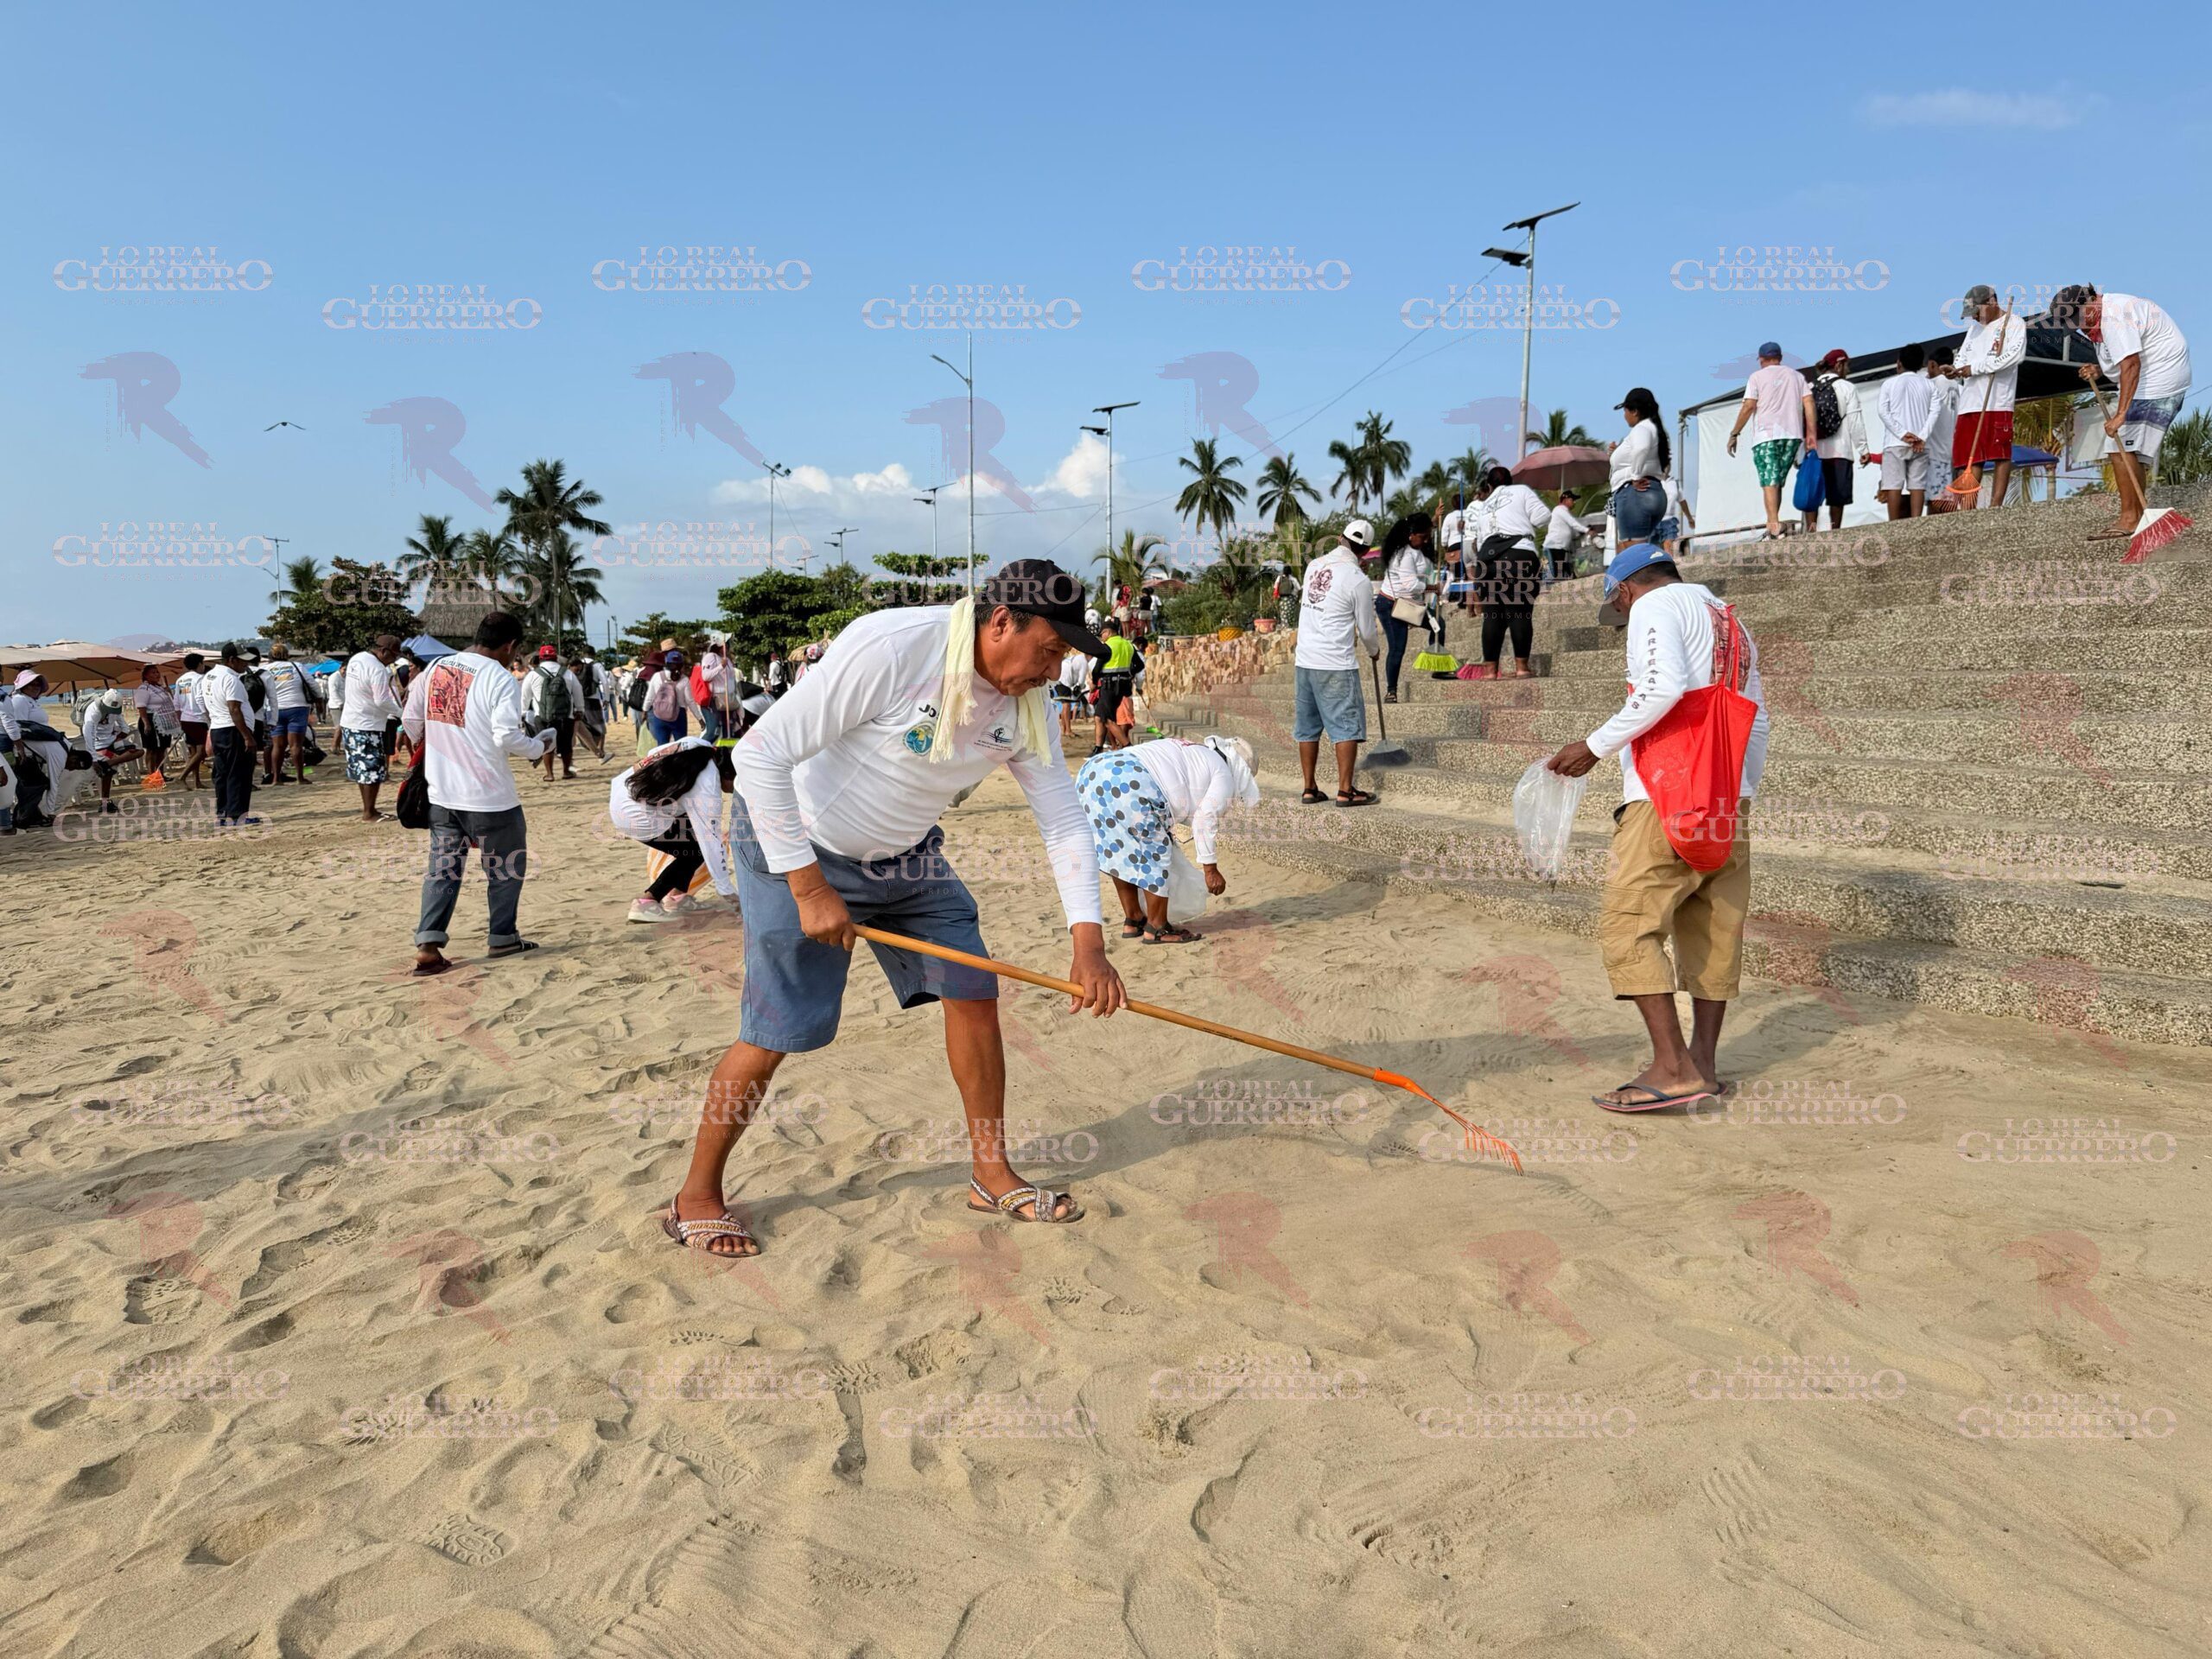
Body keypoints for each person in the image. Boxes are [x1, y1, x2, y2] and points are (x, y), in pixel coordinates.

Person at [666, 560, 1126, 1257]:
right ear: (1001, 621)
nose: (1055, 669)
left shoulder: (1026, 706)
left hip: (909, 858)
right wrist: (810, 888)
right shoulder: (895, 647)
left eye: (1065, 656)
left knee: (973, 987)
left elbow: (1061, 815)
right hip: (798, 845)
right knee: (778, 1029)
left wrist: (1088, 941)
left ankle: (990, 1172)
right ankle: (695, 1194)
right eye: (1051, 650)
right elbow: (759, 757)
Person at [1543, 543, 1769, 1113]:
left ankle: (1670, 1068)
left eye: (1617, 609)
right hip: (1727, 798)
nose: (1622, 618)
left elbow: (1664, 686)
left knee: (1628, 924)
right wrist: (1740, 790)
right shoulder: (1729, 618)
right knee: (1711, 925)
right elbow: (1756, 713)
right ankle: (1705, 1066)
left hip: (1666, 795)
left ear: (1624, 589)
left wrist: (1593, 747)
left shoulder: (1652, 606)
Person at [403, 612, 549, 976]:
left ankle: (428, 945)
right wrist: (537, 747)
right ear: (510, 646)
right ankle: (502, 938)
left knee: (443, 870)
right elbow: (505, 736)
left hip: (442, 792)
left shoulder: (437, 668)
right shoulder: (500, 678)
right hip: (489, 796)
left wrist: (439, 749)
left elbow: (411, 720)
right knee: (506, 868)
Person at [1077, 734, 1257, 945]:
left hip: (1093, 773)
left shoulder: (1195, 750)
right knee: (1157, 853)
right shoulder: (1225, 774)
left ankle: (1134, 918)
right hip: (1132, 781)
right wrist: (1211, 870)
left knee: (1122, 851)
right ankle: (1157, 927)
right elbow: (1204, 819)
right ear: (1242, 772)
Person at [2053, 283, 2193, 537]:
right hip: (2150, 377)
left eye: (2077, 317)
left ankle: (2131, 519)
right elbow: (2122, 360)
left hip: (2159, 379)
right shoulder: (2100, 319)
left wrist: (2120, 414)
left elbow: (2130, 364)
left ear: (2092, 300)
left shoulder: (2114, 316)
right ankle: (2137, 515)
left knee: (2121, 446)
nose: (2077, 326)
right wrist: (2098, 370)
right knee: (2123, 448)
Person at [1293, 518, 1381, 806]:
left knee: (1307, 727)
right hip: (1335, 662)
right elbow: (1367, 630)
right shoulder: (1359, 581)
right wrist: (1374, 651)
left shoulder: (1313, 566)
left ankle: (1309, 787)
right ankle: (1345, 790)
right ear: (1365, 551)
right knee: (1345, 726)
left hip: (1305, 659)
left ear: (1340, 538)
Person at [608, 734, 738, 923]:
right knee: (695, 851)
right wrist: (727, 890)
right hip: (634, 813)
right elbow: (710, 840)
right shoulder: (708, 787)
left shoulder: (700, 746)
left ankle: (677, 898)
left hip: (625, 790)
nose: (736, 789)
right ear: (727, 774)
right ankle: (647, 902)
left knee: (692, 841)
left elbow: (654, 755)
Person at [1942, 284, 2024, 509]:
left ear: (1992, 302)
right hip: (1970, 402)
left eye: (1978, 312)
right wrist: (1956, 370)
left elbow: (2013, 357)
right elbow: (1963, 357)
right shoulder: (1974, 329)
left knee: (2000, 452)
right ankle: (1968, 509)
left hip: (1998, 400)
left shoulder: (2014, 323)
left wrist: (1974, 368)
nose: (1975, 317)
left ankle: (1995, 506)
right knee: (1970, 457)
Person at [1724, 342, 1815, 538]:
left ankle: (1773, 525)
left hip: (1766, 435)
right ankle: (1775, 522)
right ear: (1780, 357)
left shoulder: (1756, 377)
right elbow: (1809, 402)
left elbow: (1749, 405)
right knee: (1777, 481)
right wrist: (1811, 434)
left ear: (1762, 359)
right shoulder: (1797, 376)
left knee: (1769, 480)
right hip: (1792, 435)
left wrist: (1734, 433)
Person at [1475, 467, 1549, 679]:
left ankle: (1490, 671)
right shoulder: (1522, 491)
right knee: (1519, 610)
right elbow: (1543, 516)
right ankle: (1522, 668)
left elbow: (1479, 543)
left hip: (1487, 560)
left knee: (1492, 614)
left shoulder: (1483, 506)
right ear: (1510, 480)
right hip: (1518, 553)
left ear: (1489, 486)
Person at [1804, 348, 1870, 533]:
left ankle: (1811, 533)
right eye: (1846, 365)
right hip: (1840, 451)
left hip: (1813, 451)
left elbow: (1801, 420)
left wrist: (1800, 452)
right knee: (1837, 497)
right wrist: (1863, 449)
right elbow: (1855, 420)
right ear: (1839, 364)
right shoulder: (1847, 387)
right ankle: (1835, 532)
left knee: (1812, 496)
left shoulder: (1809, 388)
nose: (1847, 369)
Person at [340, 634, 404, 822]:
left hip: (351, 722)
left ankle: (369, 809)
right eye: (393, 656)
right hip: (368, 724)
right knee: (374, 770)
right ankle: (370, 812)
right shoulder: (377, 669)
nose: (393, 660)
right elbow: (382, 700)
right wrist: (402, 713)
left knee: (362, 770)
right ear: (383, 651)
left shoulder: (357, 658)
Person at [1373, 513, 1434, 702]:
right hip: (1392, 606)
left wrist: (1435, 518)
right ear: (1411, 535)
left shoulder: (1412, 547)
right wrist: (1432, 587)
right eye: (1423, 537)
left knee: (1438, 625)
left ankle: (1437, 661)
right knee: (1397, 648)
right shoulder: (1405, 555)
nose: (1426, 541)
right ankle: (1391, 691)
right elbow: (1410, 585)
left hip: (1406, 602)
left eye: (1428, 536)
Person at [201, 643, 262, 828]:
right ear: (231, 660)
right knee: (239, 773)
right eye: (243, 661)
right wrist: (247, 736)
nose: (246, 665)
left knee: (223, 773)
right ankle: (237, 814)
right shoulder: (230, 679)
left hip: (219, 729)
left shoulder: (209, 676)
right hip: (233, 730)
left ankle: (223, 813)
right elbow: (234, 709)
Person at [1876, 343, 1937, 519]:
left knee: (1893, 485)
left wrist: (1902, 433)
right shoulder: (1929, 385)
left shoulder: (1889, 384)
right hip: (1920, 443)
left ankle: (1895, 525)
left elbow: (1883, 412)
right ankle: (1916, 523)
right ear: (1921, 364)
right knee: (1917, 485)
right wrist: (1922, 436)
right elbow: (1935, 412)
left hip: (1895, 442)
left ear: (1899, 363)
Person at [5, 672, 72, 827]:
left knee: (35, 784)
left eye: (38, 684)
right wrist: (22, 751)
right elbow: (19, 727)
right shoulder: (20, 700)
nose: (35, 687)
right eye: (31, 684)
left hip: (36, 752)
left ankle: (34, 816)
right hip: (26, 752)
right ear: (23, 686)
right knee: (36, 785)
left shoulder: (31, 701)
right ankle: (35, 816)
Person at [1610, 388, 1670, 547]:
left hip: (1635, 494)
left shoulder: (1642, 428)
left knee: (1635, 553)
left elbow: (1641, 448)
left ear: (1635, 411)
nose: (1624, 416)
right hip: (1654, 492)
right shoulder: (1655, 428)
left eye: (1625, 411)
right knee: (1645, 550)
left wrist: (1635, 477)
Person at [521, 645, 582, 783]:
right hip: (566, 716)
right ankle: (566, 771)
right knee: (566, 745)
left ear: (541, 658)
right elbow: (578, 692)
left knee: (546, 744)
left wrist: (523, 712)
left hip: (542, 716)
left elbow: (525, 697)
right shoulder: (567, 673)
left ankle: (550, 774)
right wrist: (580, 709)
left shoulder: (533, 674)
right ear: (556, 658)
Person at [257, 643, 315, 785]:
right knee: (296, 745)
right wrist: (317, 699)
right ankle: (300, 778)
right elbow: (312, 684)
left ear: (270, 656)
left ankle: (276, 778)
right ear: (287, 654)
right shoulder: (297, 667)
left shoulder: (264, 670)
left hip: (274, 709)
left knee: (278, 745)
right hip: (297, 707)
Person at [79, 688, 143, 815]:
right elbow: (88, 737)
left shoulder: (115, 709)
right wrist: (93, 758)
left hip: (112, 741)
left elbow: (124, 727)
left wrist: (118, 738)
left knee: (139, 751)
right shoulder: (93, 712)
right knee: (108, 772)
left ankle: (109, 764)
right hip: (98, 746)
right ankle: (105, 802)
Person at [1092, 619, 1142, 753]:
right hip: (1123, 686)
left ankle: (1127, 746)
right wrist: (1129, 673)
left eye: (1102, 634)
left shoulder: (1107, 646)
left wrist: (1093, 683)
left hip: (1109, 686)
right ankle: (1098, 748)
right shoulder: (1128, 645)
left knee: (1108, 719)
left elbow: (1096, 669)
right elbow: (1140, 665)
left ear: (1108, 632)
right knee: (1099, 717)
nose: (1101, 637)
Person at [1923, 346, 1960, 510]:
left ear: (1932, 364)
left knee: (1936, 499)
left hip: (1935, 450)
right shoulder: (1957, 385)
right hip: (1952, 449)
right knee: (1946, 498)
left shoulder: (1933, 385)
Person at [643, 649, 704, 746]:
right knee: (681, 746)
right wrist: (700, 719)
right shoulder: (684, 680)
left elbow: (650, 697)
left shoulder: (657, 676)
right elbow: (690, 701)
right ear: (681, 665)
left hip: (659, 715)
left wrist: (645, 711)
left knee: (662, 747)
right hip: (679, 717)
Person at [170, 652, 210, 791]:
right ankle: (181, 777)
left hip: (186, 718)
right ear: (199, 664)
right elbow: (200, 698)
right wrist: (208, 716)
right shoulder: (200, 679)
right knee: (202, 752)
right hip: (198, 718)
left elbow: (176, 703)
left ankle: (197, 781)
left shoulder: (180, 680)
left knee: (195, 753)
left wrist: (180, 718)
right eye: (202, 664)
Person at [132, 664, 179, 779]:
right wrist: (147, 723)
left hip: (163, 722)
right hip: (150, 720)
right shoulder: (144, 689)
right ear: (146, 676)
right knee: (152, 749)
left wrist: (168, 692)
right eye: (153, 672)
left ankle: (160, 774)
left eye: (157, 672)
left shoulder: (159, 688)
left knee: (162, 748)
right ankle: (152, 775)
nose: (157, 674)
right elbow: (141, 707)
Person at [572, 649, 609, 761]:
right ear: (594, 654)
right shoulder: (597, 665)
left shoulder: (577, 665)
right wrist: (606, 698)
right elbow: (605, 682)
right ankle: (601, 751)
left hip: (577, 700)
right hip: (592, 699)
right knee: (600, 726)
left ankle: (587, 748)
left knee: (580, 726)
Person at [1052, 643, 1091, 741]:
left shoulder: (1077, 658)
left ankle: (1065, 729)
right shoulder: (1084, 662)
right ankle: (1068, 730)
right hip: (1064, 680)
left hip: (1060, 678)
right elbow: (1081, 679)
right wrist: (1079, 687)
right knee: (1067, 705)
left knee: (1066, 704)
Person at [1544, 489, 1584, 583]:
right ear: (1565, 500)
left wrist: (1579, 534)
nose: (1574, 502)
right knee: (1557, 574)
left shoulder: (1564, 512)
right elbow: (1573, 523)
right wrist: (1587, 530)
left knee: (1565, 572)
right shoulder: (1560, 510)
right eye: (1572, 500)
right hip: (1554, 546)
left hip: (1560, 547)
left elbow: (1571, 530)